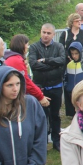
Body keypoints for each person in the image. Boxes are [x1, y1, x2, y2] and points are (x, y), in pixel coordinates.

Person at [29, 23, 66, 152]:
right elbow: (33, 65)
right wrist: (52, 65)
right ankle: (42, 143)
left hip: (55, 86)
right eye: (43, 32)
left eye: (48, 33)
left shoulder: (59, 46)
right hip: (40, 88)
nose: (45, 35)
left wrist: (45, 60)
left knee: (55, 115)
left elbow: (62, 62)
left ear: (53, 35)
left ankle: (57, 141)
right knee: (41, 116)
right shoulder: (34, 47)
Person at [63, 41, 83, 117]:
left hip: (82, 92)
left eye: (76, 53)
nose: (74, 56)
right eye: (72, 54)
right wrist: (67, 87)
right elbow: (66, 78)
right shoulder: (69, 65)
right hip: (71, 92)